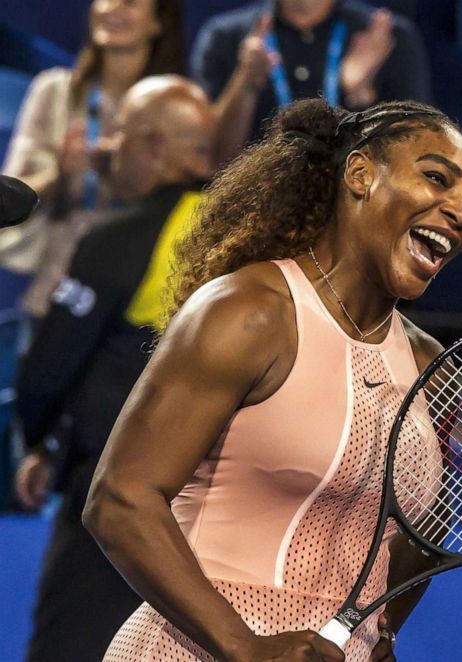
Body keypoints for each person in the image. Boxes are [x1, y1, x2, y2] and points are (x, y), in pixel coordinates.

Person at [82, 97, 462, 661]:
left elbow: (412, 545)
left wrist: (380, 636)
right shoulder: (250, 310)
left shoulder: (428, 367)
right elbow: (121, 499)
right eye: (436, 178)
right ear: (360, 174)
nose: (459, 211)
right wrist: (244, 646)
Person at [13, 75, 215, 662]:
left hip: (115, 502)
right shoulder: (255, 236)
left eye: (119, 135)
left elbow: (49, 366)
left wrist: (39, 440)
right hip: (218, 513)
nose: (108, 150)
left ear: (151, 146)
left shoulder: (122, 237)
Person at [1, 0, 185, 307]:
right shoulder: (54, 90)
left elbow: (180, 203)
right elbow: (11, 198)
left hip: (133, 294)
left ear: (158, 23)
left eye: (129, 3)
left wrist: (125, 171)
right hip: (53, 287)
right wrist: (60, 172)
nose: (112, 8)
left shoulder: (174, 108)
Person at [192, 0, 432, 165]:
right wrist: (245, 84)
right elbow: (210, 161)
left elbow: (415, 152)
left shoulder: (387, 36)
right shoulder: (225, 38)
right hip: (255, 212)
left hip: (350, 215)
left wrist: (360, 99)